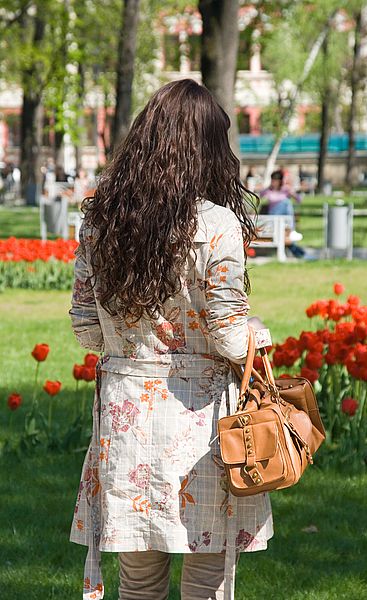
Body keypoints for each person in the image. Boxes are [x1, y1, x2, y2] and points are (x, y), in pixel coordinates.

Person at [68, 78, 274, 600]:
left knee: (139, 580)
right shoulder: (217, 224)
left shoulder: (100, 221)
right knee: (206, 578)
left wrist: (131, 345)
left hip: (125, 415)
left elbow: (86, 328)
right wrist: (257, 333)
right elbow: (230, 338)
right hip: (201, 423)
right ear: (205, 147)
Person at [260, 170, 305, 257]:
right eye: (272, 180)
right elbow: (259, 196)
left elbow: (299, 200)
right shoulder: (269, 190)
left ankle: (291, 229)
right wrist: (268, 188)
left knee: (286, 203)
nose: (273, 182)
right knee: (285, 202)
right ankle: (299, 251)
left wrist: (291, 191)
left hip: (284, 219)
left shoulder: (285, 190)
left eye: (275, 180)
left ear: (280, 181)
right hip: (273, 218)